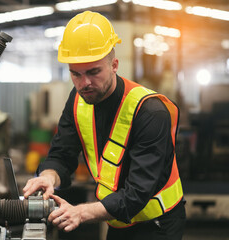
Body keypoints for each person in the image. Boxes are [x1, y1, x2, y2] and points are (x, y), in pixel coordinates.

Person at [23, 11, 186, 240]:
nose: (84, 83)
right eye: (75, 74)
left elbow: (137, 193)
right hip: (116, 219)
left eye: (94, 71)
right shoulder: (79, 98)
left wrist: (81, 212)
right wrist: (48, 177)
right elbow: (62, 154)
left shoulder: (151, 112)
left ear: (114, 65)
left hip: (158, 224)